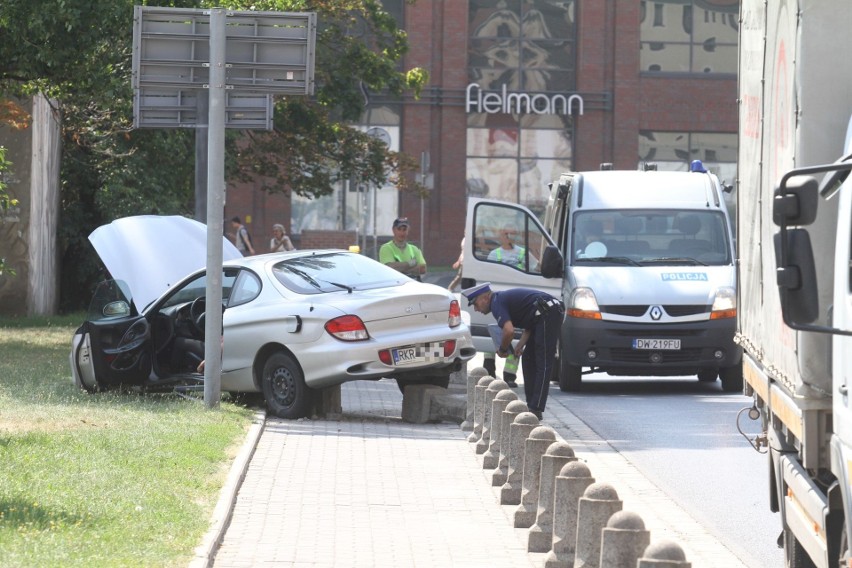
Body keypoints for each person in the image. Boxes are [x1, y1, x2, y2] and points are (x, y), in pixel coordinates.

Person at [462, 282, 563, 420]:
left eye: (475, 303)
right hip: (542, 315)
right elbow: (530, 320)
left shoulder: (496, 303)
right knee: (528, 359)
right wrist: (520, 344)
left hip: (549, 312)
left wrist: (503, 349)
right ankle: (531, 405)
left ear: (485, 298)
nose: (475, 309)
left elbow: (509, 331)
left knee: (543, 360)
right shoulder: (499, 300)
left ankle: (536, 408)